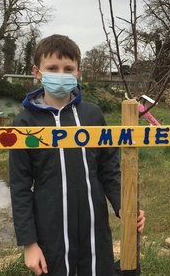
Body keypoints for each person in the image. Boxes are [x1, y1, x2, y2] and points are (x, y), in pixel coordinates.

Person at [9, 34, 145, 276]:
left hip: (94, 227)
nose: (61, 74)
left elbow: (109, 169)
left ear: (79, 72)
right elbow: (20, 186)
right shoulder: (25, 122)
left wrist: (125, 206)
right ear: (37, 72)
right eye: (52, 68)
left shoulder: (93, 116)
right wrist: (29, 244)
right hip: (51, 230)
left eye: (68, 68)